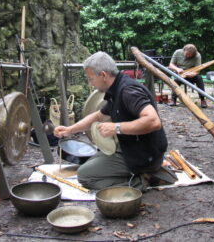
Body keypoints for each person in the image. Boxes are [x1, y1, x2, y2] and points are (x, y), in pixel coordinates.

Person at [54, 51, 176, 191]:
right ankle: (140, 174)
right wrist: (69, 129)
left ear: (104, 75)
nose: (90, 83)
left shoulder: (128, 91)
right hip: (130, 147)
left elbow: (153, 121)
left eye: (91, 78)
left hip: (145, 155)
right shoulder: (115, 90)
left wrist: (116, 128)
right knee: (90, 162)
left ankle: (143, 181)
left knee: (85, 176)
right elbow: (98, 116)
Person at [168, 44, 207, 108]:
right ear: (184, 50)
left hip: (191, 74)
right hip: (180, 74)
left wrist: (192, 74)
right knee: (176, 81)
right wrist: (177, 69)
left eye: (190, 55)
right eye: (187, 54)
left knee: (199, 78)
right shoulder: (177, 52)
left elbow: (198, 70)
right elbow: (171, 65)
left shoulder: (197, 55)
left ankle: (202, 99)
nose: (188, 56)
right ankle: (173, 99)